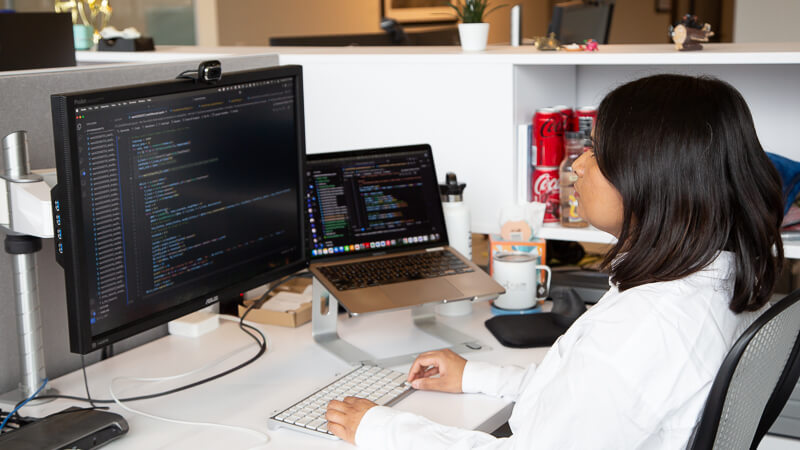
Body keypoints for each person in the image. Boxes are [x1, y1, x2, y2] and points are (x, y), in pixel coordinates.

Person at [325, 74, 785, 449]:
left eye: (598, 153)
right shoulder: (714, 274)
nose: (578, 166)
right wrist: (476, 375)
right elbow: (585, 403)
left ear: (652, 179)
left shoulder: (647, 326)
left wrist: (381, 429)